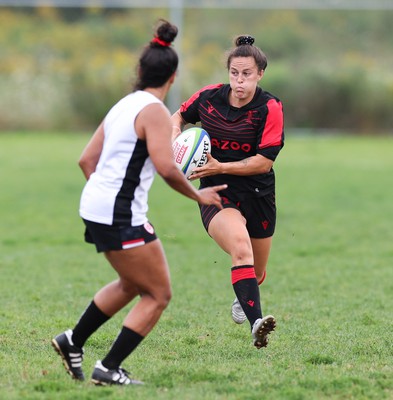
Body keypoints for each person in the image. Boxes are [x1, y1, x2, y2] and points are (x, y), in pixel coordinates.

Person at [51, 19, 227, 386]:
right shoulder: (155, 112)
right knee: (158, 294)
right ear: (173, 77)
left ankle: (73, 340)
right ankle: (109, 368)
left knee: (132, 283)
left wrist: (104, 197)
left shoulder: (124, 105)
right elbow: (166, 167)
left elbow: (87, 159)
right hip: (119, 212)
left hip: (96, 206)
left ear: (140, 70)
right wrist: (198, 193)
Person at [171, 35, 284, 349]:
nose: (239, 80)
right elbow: (177, 116)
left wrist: (220, 165)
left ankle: (244, 294)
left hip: (259, 193)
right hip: (216, 193)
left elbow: (263, 162)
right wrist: (174, 136)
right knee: (240, 247)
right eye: (234, 73)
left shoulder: (270, 107)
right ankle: (257, 324)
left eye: (246, 74)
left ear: (260, 73)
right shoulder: (209, 99)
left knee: (257, 269)